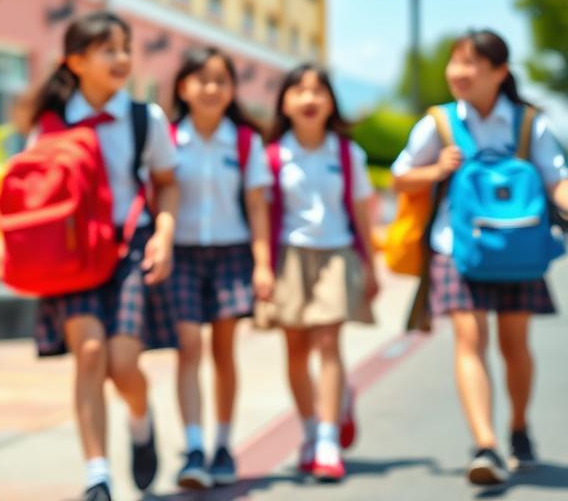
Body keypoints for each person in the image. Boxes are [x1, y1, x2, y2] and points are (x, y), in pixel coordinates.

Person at [392, 30, 568, 485]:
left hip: (520, 249)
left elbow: (557, 182)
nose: (458, 72)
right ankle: (486, 443)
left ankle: (518, 428)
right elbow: (401, 179)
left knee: (515, 347)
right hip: (456, 248)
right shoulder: (439, 123)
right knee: (469, 340)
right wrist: (437, 169)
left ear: (500, 72)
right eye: (455, 62)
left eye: (471, 63)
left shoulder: (531, 124)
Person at [29, 12, 179, 501]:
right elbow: (36, 193)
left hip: (130, 245)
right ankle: (97, 474)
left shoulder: (144, 119)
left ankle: (140, 419)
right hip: (74, 251)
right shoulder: (50, 124)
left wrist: (165, 235)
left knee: (122, 363)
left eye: (125, 48)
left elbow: (166, 184)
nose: (121, 58)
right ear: (75, 61)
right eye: (107, 49)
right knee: (89, 355)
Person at [259, 64, 377, 484]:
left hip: (337, 254)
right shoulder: (271, 153)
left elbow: (361, 210)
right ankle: (309, 429)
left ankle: (327, 439)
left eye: (318, 91)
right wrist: (261, 267)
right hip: (288, 257)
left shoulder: (347, 154)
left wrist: (371, 264)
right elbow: (259, 212)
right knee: (295, 349)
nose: (309, 99)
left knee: (328, 341)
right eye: (299, 91)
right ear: (285, 102)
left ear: (331, 101)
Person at [168, 47, 273, 489]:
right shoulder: (168, 138)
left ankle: (224, 445)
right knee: (189, 346)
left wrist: (263, 265)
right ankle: (193, 448)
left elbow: (256, 205)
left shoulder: (246, 141)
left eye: (221, 80)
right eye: (202, 79)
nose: (212, 88)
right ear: (183, 87)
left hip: (232, 253)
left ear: (232, 90)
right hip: (183, 254)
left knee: (224, 351)